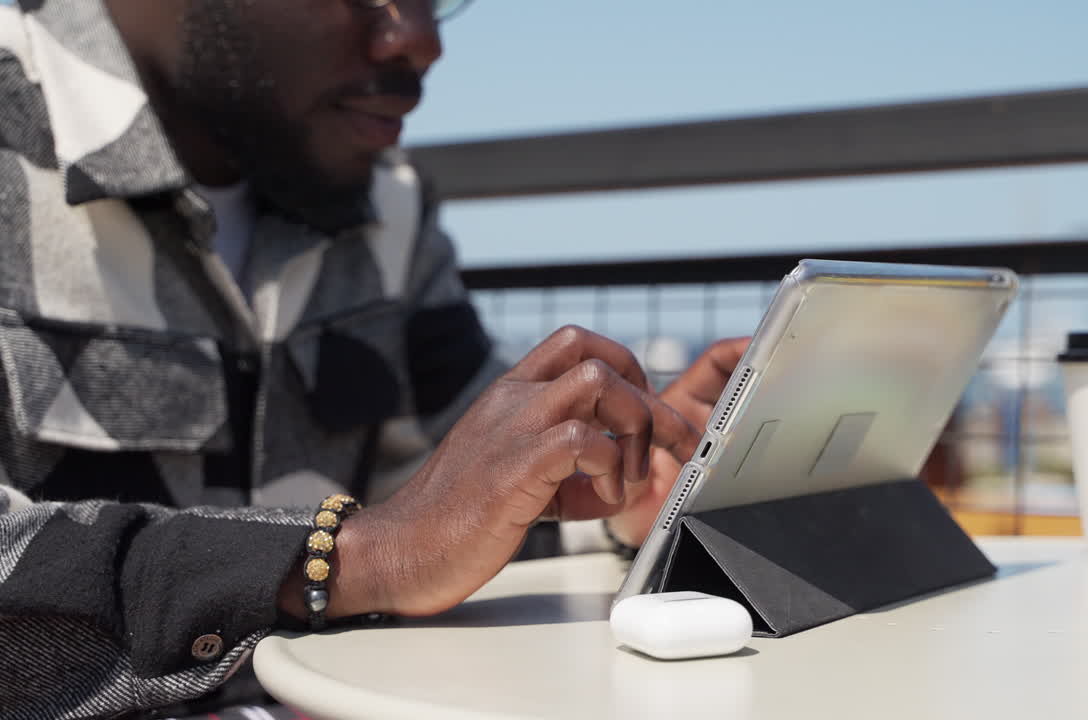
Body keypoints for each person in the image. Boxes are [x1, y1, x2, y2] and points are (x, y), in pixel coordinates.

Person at [0, 0, 748, 716]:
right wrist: (357, 559)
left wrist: (618, 485)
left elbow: (448, 503)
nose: (420, 39)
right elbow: (400, 543)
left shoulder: (385, 198)